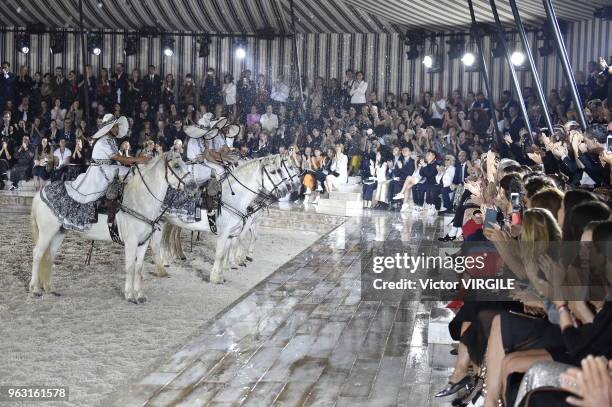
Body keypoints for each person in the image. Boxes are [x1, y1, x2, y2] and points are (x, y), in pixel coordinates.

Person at [64, 114, 148, 205]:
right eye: (116, 127)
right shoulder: (103, 141)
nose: (118, 129)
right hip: (99, 171)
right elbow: (118, 158)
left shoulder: (111, 140)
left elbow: (121, 157)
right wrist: (138, 160)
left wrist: (135, 160)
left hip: (106, 167)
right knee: (130, 173)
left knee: (129, 171)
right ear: (110, 128)